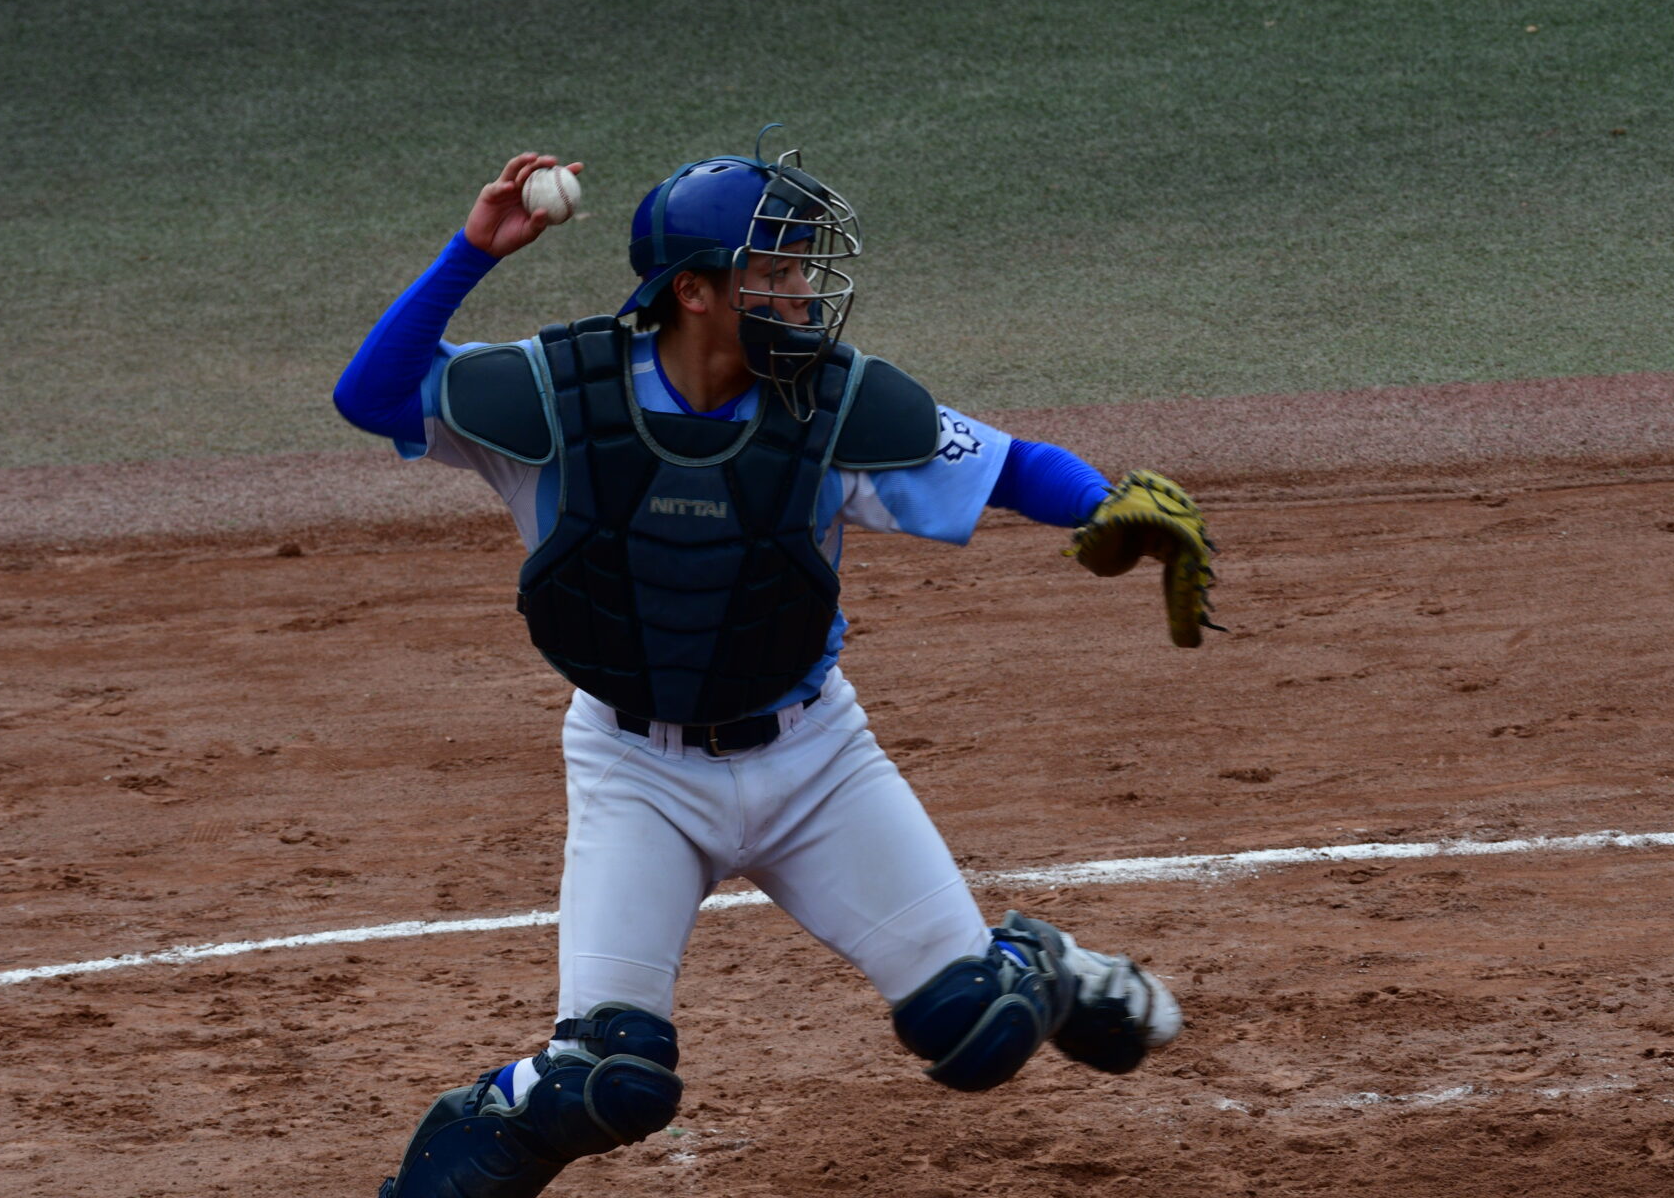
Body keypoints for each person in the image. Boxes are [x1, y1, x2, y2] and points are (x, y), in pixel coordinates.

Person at [334, 135, 1188, 1198]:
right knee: (606, 1081)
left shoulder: (832, 408)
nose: (802, 294)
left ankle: (1040, 966)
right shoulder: (555, 401)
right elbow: (371, 397)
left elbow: (1010, 463)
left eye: (800, 269)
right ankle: (474, 1135)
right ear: (692, 291)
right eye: (775, 272)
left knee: (978, 1027)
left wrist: (1104, 504)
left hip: (815, 760)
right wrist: (473, 251)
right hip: (637, 773)